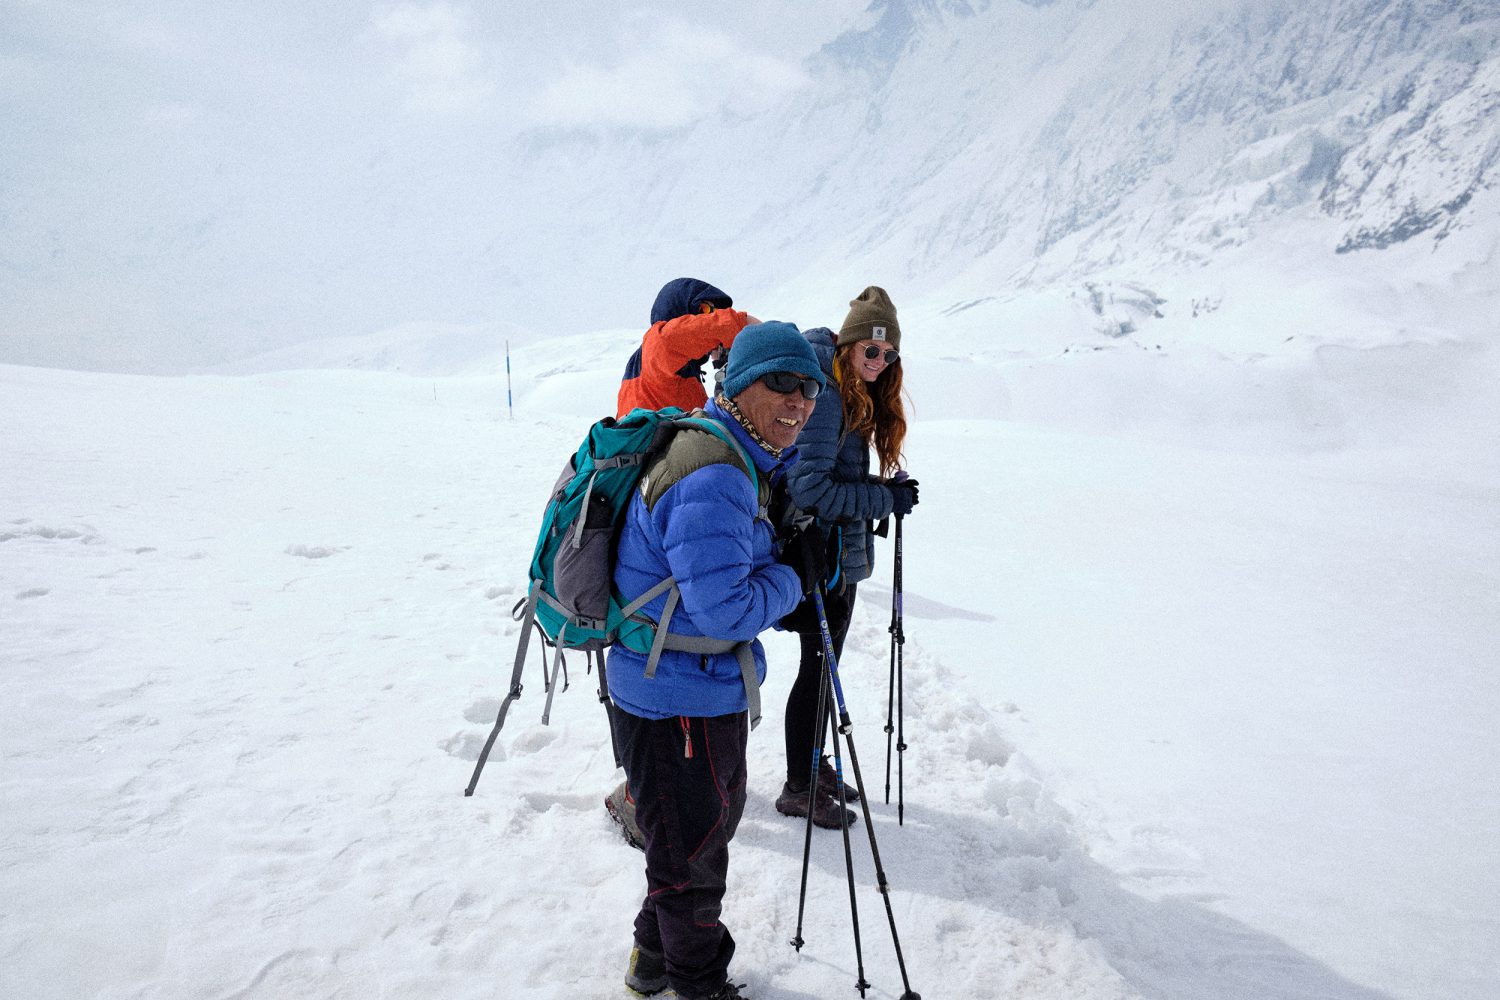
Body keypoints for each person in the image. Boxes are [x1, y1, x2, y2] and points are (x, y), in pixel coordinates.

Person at [609, 322, 826, 1000]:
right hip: (677, 698)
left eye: (810, 387)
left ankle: (652, 962)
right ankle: (699, 984)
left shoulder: (731, 455)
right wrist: (796, 577)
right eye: (781, 384)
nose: (799, 401)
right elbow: (726, 611)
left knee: (690, 842)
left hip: (687, 689)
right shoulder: (713, 475)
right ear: (736, 387)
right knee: (692, 860)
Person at [606, 277, 758, 848]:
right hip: (656, 527)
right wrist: (748, 333)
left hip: (655, 522)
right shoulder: (658, 355)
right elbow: (686, 334)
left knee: (640, 648)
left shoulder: (670, 378)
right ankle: (645, 800)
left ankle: (644, 789)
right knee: (649, 643)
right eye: (707, 318)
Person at [776, 286, 919, 829]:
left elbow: (834, 476)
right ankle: (798, 785)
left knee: (823, 663)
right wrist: (884, 498)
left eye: (889, 355)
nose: (880, 362)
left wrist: (879, 486)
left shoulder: (848, 388)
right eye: (871, 349)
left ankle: (813, 766)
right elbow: (811, 488)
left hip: (837, 553)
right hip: (820, 553)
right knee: (817, 666)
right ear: (850, 342)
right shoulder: (828, 393)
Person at [616, 277, 759, 418]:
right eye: (706, 309)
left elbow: (698, 424)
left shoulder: (679, 371)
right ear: (678, 308)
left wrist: (726, 373)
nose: (711, 317)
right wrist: (766, 333)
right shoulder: (659, 343)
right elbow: (728, 324)